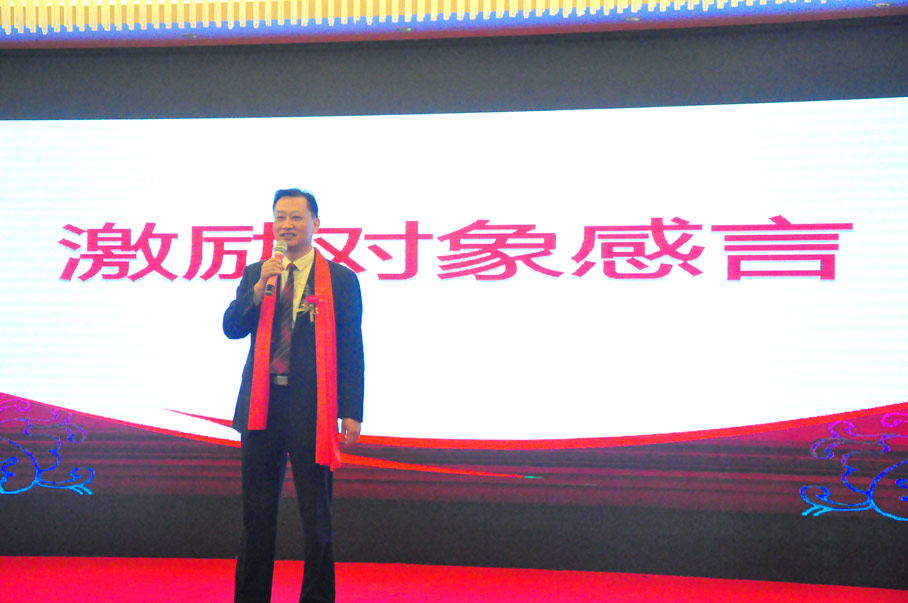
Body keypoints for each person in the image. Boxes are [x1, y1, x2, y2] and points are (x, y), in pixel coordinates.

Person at [223, 188, 364, 603]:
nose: (287, 225)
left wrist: (351, 409)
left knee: (316, 515)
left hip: (313, 409)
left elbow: (351, 346)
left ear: (315, 224)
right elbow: (232, 328)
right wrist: (256, 290)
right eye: (280, 217)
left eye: (296, 217)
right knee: (256, 515)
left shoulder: (340, 279)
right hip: (261, 407)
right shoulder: (258, 272)